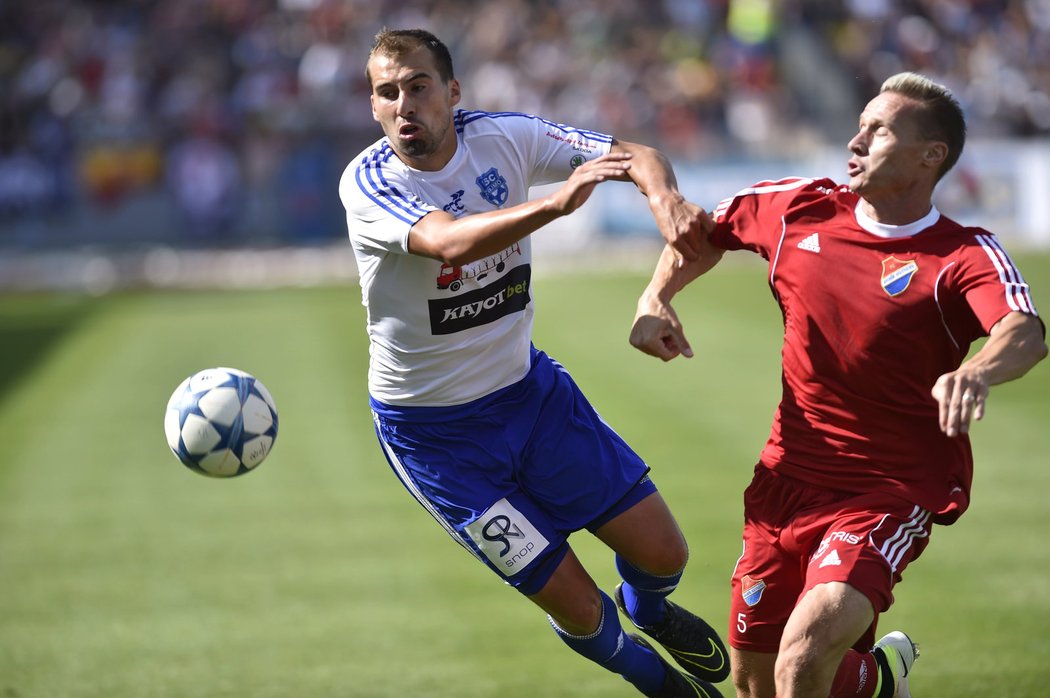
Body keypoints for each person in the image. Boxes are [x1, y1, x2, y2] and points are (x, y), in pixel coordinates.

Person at [338, 28, 730, 698]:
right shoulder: (370, 181)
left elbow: (633, 153)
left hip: (529, 397)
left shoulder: (503, 136)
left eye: (418, 86)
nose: (404, 104)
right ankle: (657, 684)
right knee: (577, 606)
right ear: (373, 106)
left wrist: (663, 198)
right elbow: (444, 243)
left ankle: (651, 609)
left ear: (452, 93)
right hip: (437, 440)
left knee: (665, 554)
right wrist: (554, 201)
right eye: (387, 92)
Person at [629, 71, 1047, 698]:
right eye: (860, 124)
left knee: (801, 661)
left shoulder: (962, 253)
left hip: (888, 487)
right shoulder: (799, 206)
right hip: (784, 480)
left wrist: (977, 369)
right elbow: (701, 232)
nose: (856, 140)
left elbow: (1023, 329)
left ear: (931, 156)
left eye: (879, 130)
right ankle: (877, 680)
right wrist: (656, 296)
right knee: (758, 684)